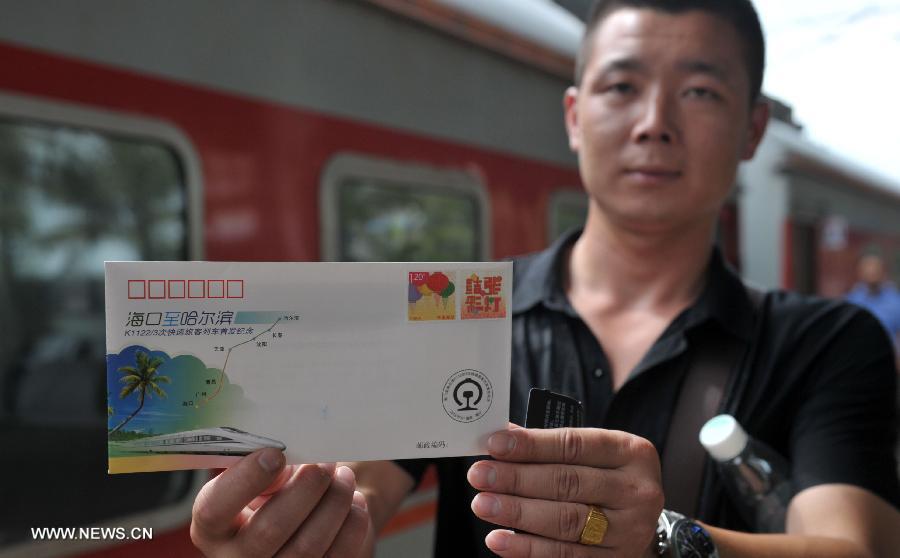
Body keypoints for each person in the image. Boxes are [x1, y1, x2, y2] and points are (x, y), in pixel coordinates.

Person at [189, 1, 900, 556]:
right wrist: (300, 523)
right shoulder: (454, 315)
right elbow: (366, 488)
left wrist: (659, 540)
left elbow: (854, 546)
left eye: (701, 93)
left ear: (752, 129)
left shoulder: (829, 343)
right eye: (622, 85)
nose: (654, 124)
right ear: (574, 115)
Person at [846, 253, 900, 349]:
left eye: (875, 270)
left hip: (888, 356)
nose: (871, 273)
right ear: (860, 273)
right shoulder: (852, 301)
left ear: (883, 272)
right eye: (867, 270)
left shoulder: (895, 301)